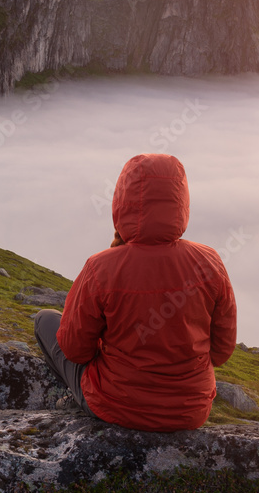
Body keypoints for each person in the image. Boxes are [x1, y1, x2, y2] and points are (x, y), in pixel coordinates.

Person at [34, 153, 237, 432]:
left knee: (45, 319)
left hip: (116, 406)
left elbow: (75, 350)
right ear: (181, 201)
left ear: (122, 201)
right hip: (190, 411)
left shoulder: (100, 267)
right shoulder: (210, 262)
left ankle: (77, 400)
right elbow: (222, 352)